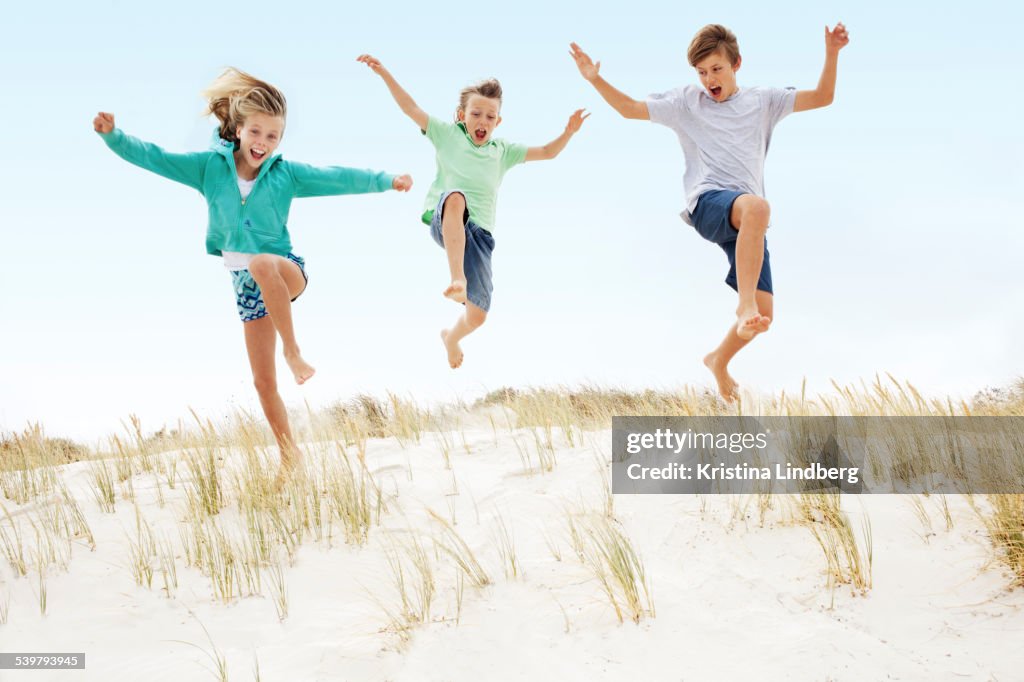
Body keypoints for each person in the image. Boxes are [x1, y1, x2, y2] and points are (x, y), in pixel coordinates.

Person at [93, 67, 412, 476]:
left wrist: (386, 180)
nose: (263, 143)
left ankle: (293, 351)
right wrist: (113, 137)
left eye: (272, 136)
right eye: (257, 133)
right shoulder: (208, 168)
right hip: (244, 287)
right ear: (239, 130)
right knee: (264, 384)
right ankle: (289, 455)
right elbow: (156, 158)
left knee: (262, 262)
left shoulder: (285, 175)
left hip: (284, 271)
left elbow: (337, 177)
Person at [571, 23, 850, 401]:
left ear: (736, 64)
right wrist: (595, 79)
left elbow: (823, 96)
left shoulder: (764, 100)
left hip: (748, 222)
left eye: (716, 69)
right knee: (757, 210)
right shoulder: (687, 103)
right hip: (709, 203)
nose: (709, 80)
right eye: (701, 72)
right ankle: (743, 302)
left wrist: (832, 53)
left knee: (764, 315)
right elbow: (629, 109)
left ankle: (718, 360)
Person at [357, 54, 588, 369]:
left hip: (481, 238)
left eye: (490, 117)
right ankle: (457, 280)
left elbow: (548, 152)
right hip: (448, 220)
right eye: (476, 113)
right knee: (455, 197)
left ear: (498, 122)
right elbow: (410, 107)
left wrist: (569, 132)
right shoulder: (448, 135)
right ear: (461, 115)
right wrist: (384, 73)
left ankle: (451, 338)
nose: (483, 121)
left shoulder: (502, 152)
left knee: (478, 315)